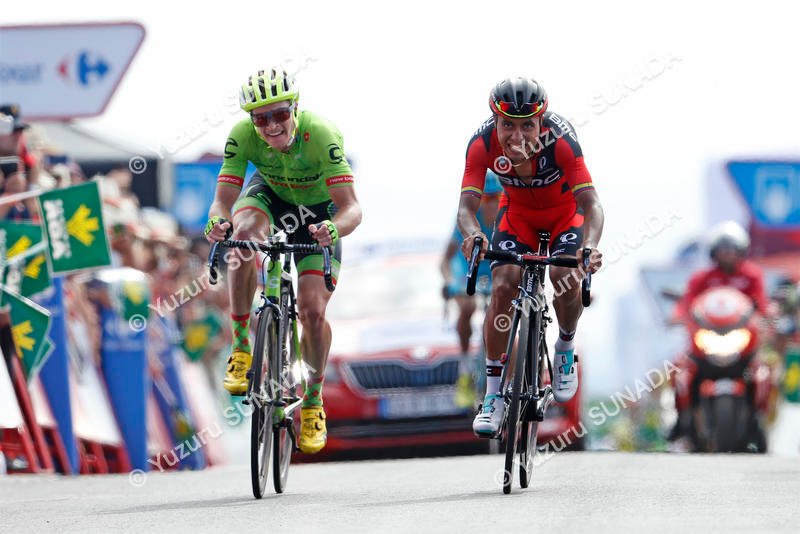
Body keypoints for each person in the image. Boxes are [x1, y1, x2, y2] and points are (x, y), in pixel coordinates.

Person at [205, 67, 362, 454]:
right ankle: (242, 346)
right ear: (251, 120)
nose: (272, 125)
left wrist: (333, 229)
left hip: (319, 214)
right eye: (261, 118)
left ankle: (312, 401)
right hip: (271, 199)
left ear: (295, 107)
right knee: (242, 239)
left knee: (312, 311)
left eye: (279, 114)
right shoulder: (242, 136)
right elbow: (224, 199)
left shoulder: (321, 135)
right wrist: (216, 220)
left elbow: (352, 209)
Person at [456, 77, 604, 436]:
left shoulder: (563, 142)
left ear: (542, 122)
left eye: (527, 126)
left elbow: (592, 205)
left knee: (562, 277)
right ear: (496, 121)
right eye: (508, 125)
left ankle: (565, 345)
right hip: (517, 215)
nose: (517, 137)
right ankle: (493, 396)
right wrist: (474, 233)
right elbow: (466, 207)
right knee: (504, 285)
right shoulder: (481, 143)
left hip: (566, 215)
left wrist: (590, 246)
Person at [668, 220, 769, 440]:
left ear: (741, 251)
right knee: (681, 371)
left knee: (762, 371)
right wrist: (676, 317)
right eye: (723, 249)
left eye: (733, 249)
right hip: (707, 341)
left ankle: (757, 419)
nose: (728, 254)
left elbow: (761, 305)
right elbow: (686, 304)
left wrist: (765, 317)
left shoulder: (752, 276)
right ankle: (682, 419)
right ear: (715, 252)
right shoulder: (701, 278)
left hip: (742, 342)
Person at [441, 170, 501, 408]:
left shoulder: (508, 218)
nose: (491, 204)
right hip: (469, 273)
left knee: (499, 314)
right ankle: (465, 366)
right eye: (485, 199)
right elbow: (445, 261)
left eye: (496, 198)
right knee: (468, 305)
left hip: (496, 274)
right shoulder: (468, 219)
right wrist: (449, 283)